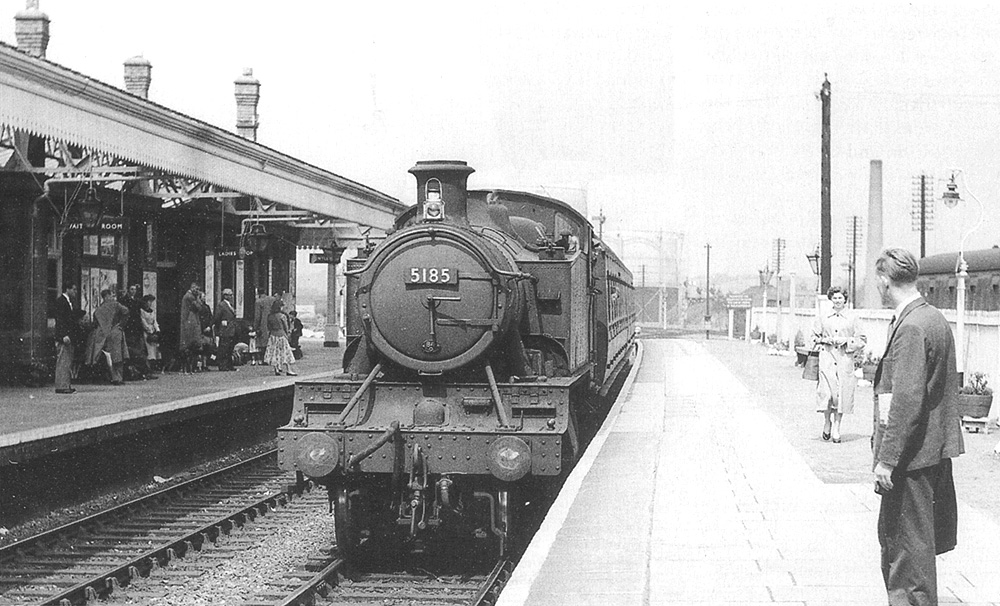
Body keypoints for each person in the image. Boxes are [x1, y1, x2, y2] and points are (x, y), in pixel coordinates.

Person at [872, 247, 963, 605]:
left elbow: (906, 400)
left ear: (884, 280)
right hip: (930, 453)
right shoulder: (933, 317)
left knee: (905, 555)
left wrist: (887, 459)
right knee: (917, 549)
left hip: (911, 458)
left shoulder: (910, 326)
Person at [811, 286, 865, 443]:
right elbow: (813, 337)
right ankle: (827, 421)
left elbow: (862, 339)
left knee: (840, 395)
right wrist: (825, 340)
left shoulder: (853, 317)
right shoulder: (823, 316)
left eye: (840, 298)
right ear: (831, 299)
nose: (837, 301)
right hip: (827, 357)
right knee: (827, 393)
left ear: (845, 299)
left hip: (844, 359)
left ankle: (837, 427)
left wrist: (846, 341)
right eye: (834, 298)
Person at [85, 288, 130, 385]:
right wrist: (121, 325)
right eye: (111, 295)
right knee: (117, 356)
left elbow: (95, 323)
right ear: (107, 296)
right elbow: (126, 311)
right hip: (115, 332)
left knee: (105, 356)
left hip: (102, 335)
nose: (112, 297)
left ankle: (109, 376)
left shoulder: (98, 309)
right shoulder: (116, 305)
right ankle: (118, 378)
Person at [53, 283, 78, 394]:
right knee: (63, 360)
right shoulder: (61, 302)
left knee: (66, 361)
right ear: (67, 289)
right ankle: (61, 385)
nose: (75, 292)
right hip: (64, 336)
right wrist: (63, 335)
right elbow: (60, 320)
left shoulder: (67, 302)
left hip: (67, 335)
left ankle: (65, 384)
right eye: (74, 289)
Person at [264, 298, 297, 376]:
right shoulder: (282, 316)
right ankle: (288, 369)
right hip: (281, 335)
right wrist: (287, 334)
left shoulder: (270, 316)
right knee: (286, 352)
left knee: (274, 352)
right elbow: (286, 327)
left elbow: (268, 326)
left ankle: (276, 369)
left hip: (273, 336)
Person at [178, 283, 203, 374]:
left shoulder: (188, 296)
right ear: (192, 288)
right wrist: (198, 298)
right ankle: (188, 368)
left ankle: (188, 368)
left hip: (188, 321)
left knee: (189, 346)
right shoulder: (190, 297)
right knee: (190, 345)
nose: (197, 291)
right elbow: (199, 307)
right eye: (196, 289)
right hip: (190, 323)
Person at [214, 288, 238, 371]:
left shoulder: (230, 305)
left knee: (230, 349)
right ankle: (222, 365)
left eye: (232, 295)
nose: (231, 297)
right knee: (224, 348)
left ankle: (229, 365)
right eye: (230, 295)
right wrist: (220, 326)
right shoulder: (221, 305)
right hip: (225, 330)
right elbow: (217, 318)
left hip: (231, 330)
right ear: (225, 296)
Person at [140, 294, 162, 372]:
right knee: (148, 349)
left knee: (154, 349)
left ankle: (153, 365)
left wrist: (157, 329)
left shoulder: (152, 311)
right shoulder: (142, 311)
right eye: (149, 301)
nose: (150, 303)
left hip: (152, 330)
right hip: (146, 332)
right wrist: (149, 330)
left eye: (151, 302)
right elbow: (143, 322)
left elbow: (154, 321)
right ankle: (148, 367)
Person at [253, 288, 274, 363]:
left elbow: (257, 316)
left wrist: (255, 327)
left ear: (258, 293)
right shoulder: (272, 299)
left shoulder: (258, 301)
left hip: (264, 323)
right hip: (273, 322)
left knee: (263, 342)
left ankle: (264, 359)